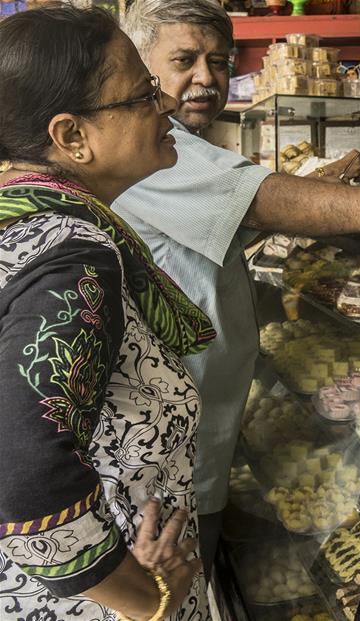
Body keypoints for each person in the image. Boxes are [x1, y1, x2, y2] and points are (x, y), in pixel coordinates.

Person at [115, 0, 360, 573]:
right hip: (166, 447)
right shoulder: (152, 148)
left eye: (219, 61)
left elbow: (247, 210)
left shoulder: (179, 146)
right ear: (140, 66)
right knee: (166, 587)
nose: (204, 77)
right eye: (183, 60)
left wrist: (325, 192)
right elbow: (259, 200)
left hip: (194, 428)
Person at [0, 6, 213, 620]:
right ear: (72, 137)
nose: (167, 105)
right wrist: (146, 600)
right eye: (143, 94)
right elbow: (24, 471)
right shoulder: (72, 257)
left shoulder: (21, 225)